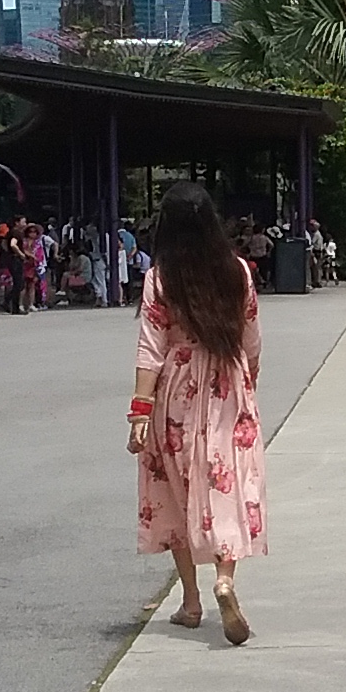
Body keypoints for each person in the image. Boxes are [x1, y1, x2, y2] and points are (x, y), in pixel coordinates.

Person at [128, 179, 266, 645]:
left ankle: (190, 602)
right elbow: (251, 339)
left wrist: (140, 411)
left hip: (178, 388)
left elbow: (151, 348)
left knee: (176, 488)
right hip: (228, 384)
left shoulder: (160, 277)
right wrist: (247, 386)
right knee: (228, 483)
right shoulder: (237, 271)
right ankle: (224, 580)